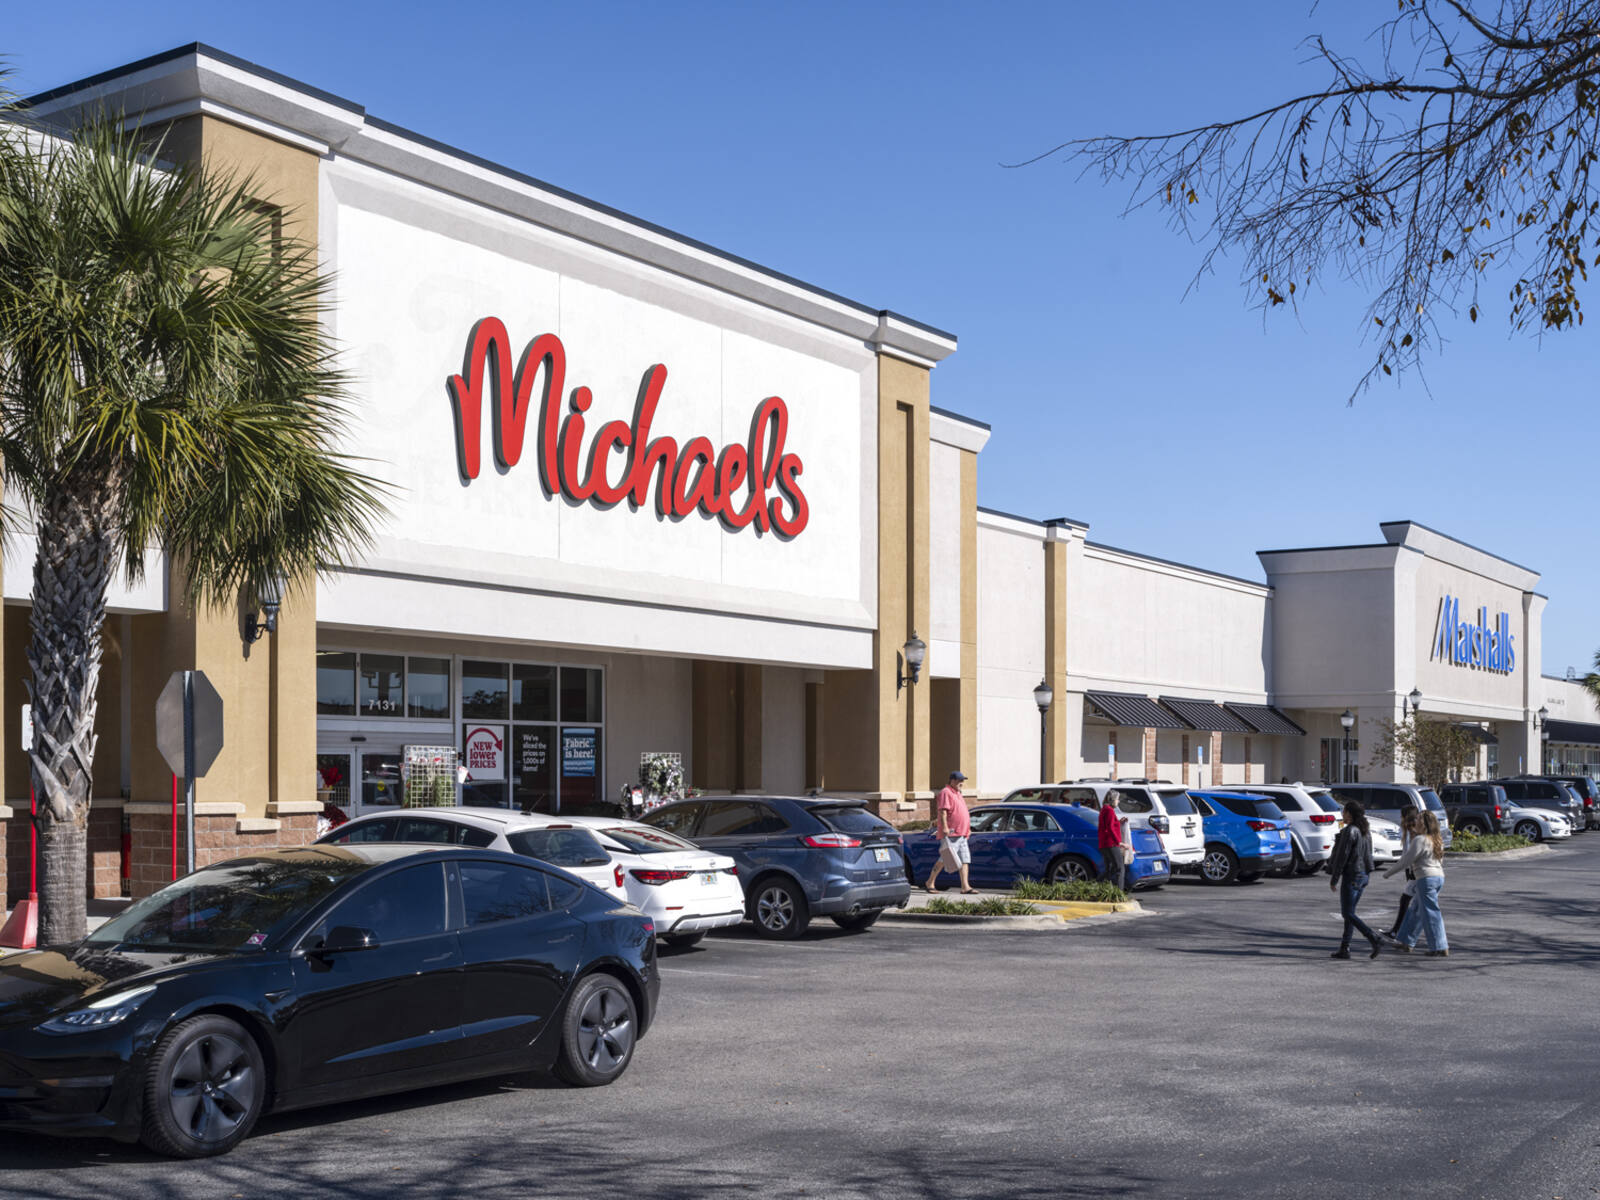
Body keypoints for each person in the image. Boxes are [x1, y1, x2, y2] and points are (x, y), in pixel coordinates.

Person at [1384, 809, 1449, 957]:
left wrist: (1388, 873)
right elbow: (1440, 861)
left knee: (1430, 913)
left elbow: (1406, 860)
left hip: (1426, 879)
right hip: (1438, 877)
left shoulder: (1420, 840)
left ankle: (1439, 947)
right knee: (1416, 911)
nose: (1415, 822)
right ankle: (1405, 941)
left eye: (1418, 820)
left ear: (1424, 824)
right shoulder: (1437, 839)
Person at [1326, 800, 1382, 959]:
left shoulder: (1350, 831)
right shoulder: (1365, 830)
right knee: (1350, 913)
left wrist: (1334, 878)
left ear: (1349, 814)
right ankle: (1345, 948)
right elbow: (1368, 855)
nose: (1342, 814)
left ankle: (1373, 937)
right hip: (1363, 875)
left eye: (1344, 812)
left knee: (1347, 913)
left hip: (1352, 875)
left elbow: (1342, 856)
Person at [924, 771, 975, 895]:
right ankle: (930, 882)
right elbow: (943, 812)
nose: (961, 783)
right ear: (952, 780)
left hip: (961, 833)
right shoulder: (946, 792)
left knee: (964, 859)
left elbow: (962, 812)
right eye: (959, 780)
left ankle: (965, 886)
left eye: (962, 780)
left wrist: (967, 828)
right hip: (951, 833)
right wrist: (945, 827)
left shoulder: (958, 793)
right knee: (945, 858)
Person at [1386, 809, 1423, 936]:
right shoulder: (1408, 833)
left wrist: (1389, 872)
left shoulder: (1415, 834)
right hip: (1412, 871)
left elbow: (1408, 857)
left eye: (1402, 816)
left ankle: (1398, 931)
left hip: (1416, 872)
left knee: (1408, 901)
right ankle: (1399, 931)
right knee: (1411, 902)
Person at [1098, 792, 1127, 891]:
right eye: (1117, 799)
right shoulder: (1109, 811)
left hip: (1104, 844)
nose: (1118, 801)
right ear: (1112, 800)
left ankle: (1097, 886)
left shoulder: (1104, 809)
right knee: (1120, 869)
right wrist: (1119, 842)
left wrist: (1119, 822)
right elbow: (1110, 828)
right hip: (1111, 844)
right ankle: (1119, 893)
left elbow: (1109, 825)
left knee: (1110, 870)